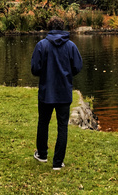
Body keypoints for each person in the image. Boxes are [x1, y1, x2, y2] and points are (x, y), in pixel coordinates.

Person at [30, 16, 83, 170]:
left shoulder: (42, 45)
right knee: (62, 127)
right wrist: (67, 73)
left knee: (43, 122)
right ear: (62, 27)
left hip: (46, 91)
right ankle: (58, 162)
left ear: (50, 27)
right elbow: (77, 67)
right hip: (64, 91)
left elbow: (35, 69)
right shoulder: (71, 46)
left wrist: (45, 72)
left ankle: (42, 154)